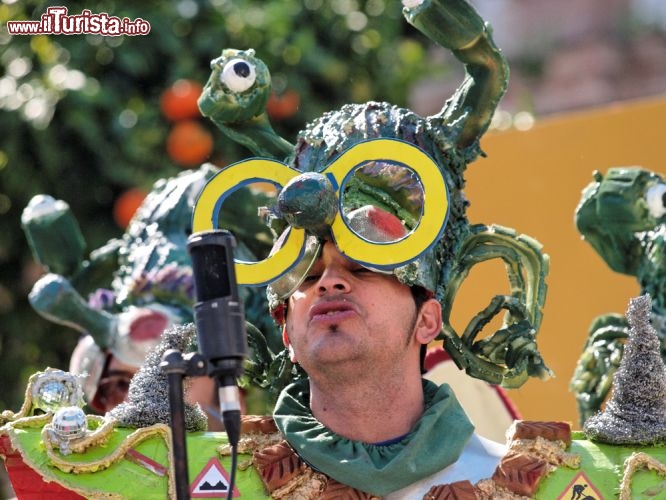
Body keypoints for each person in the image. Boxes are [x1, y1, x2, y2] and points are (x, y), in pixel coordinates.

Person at [272, 240, 506, 497]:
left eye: (362, 268)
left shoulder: (527, 488)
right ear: (288, 339)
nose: (327, 282)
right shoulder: (227, 481)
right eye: (309, 276)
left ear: (426, 321)